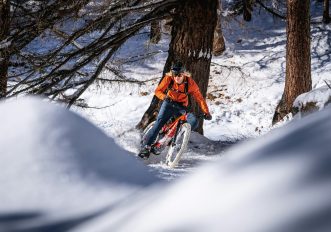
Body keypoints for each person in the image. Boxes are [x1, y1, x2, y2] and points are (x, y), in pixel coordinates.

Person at [139, 60, 212, 158]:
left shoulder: (190, 83)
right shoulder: (168, 79)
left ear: (184, 74)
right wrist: (164, 97)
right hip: (168, 103)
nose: (177, 77)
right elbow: (158, 91)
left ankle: (164, 141)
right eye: (175, 74)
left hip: (182, 106)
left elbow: (200, 98)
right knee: (159, 123)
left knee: (192, 122)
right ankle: (146, 147)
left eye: (180, 75)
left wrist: (206, 112)